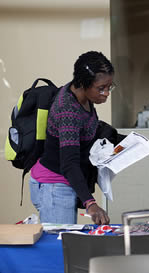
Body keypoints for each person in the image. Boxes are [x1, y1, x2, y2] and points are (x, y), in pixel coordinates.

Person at [29, 51, 120, 224]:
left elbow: (87, 130)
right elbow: (69, 163)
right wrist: (90, 203)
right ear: (83, 84)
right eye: (101, 88)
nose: (107, 93)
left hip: (66, 182)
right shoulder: (68, 111)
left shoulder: (81, 95)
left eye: (109, 86)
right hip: (54, 186)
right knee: (61, 246)